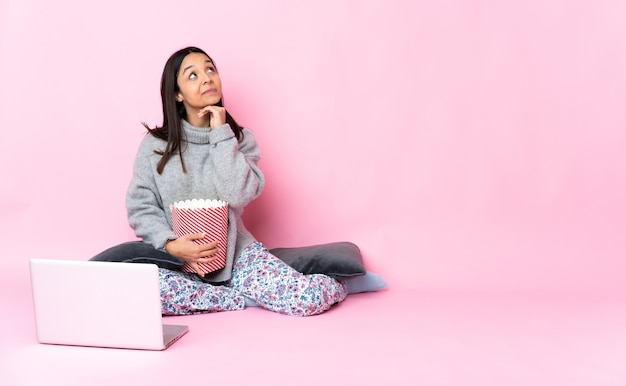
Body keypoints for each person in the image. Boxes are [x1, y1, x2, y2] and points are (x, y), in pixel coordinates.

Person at [124, 46, 347, 316]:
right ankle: (241, 298)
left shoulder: (240, 139)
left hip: (238, 255)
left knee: (306, 299)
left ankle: (342, 284)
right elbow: (140, 206)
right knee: (140, 294)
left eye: (210, 69)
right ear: (177, 94)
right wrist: (171, 244)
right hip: (180, 262)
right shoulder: (155, 146)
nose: (206, 78)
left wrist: (220, 134)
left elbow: (239, 194)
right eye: (192, 75)